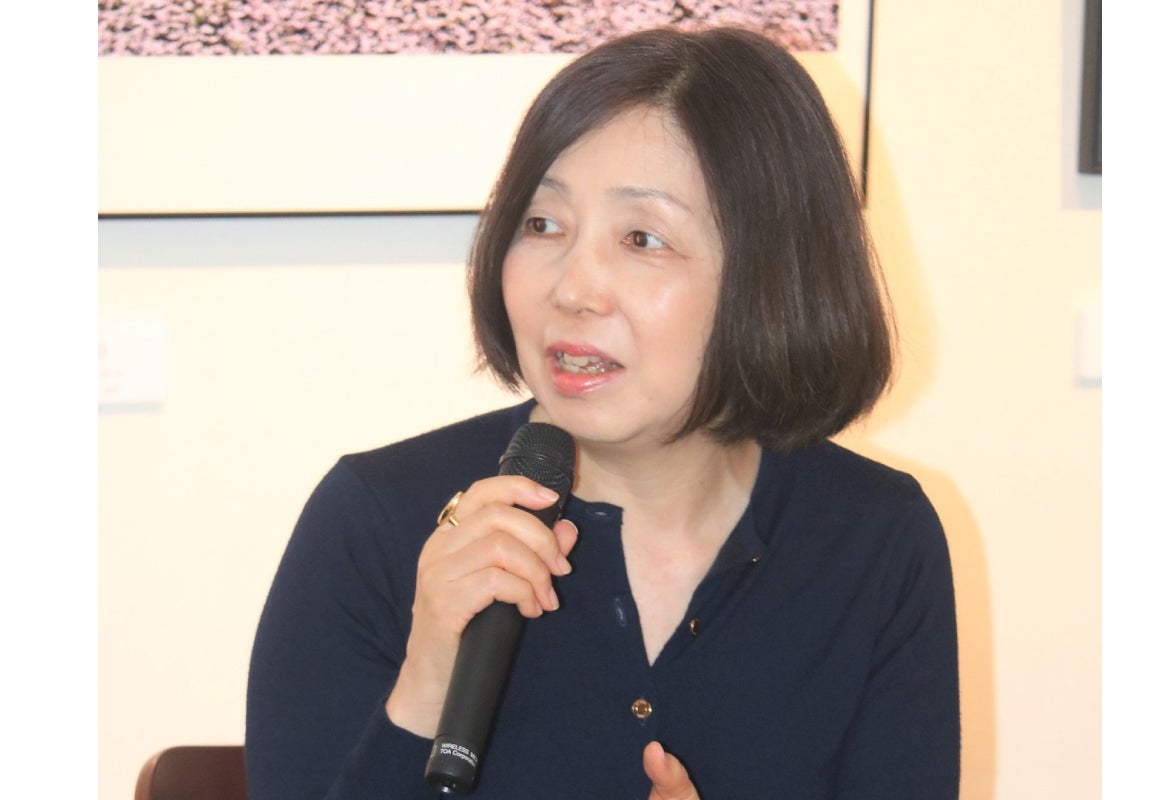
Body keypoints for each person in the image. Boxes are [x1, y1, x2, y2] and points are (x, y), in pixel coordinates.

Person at [246, 26, 960, 799]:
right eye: (542, 225)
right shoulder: (375, 521)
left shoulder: (875, 539)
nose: (572, 288)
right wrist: (425, 683)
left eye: (642, 239)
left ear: (771, 279)